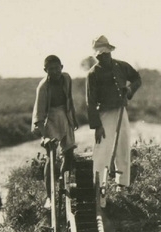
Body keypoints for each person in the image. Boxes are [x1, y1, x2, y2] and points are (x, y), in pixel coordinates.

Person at [86, 35, 141, 194]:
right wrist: (97, 126)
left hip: (121, 111)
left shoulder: (122, 66)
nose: (102, 57)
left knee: (123, 146)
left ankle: (122, 185)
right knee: (102, 149)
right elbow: (90, 102)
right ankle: (98, 187)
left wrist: (129, 90)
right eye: (99, 55)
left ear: (110, 51)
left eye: (105, 53)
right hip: (104, 114)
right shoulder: (93, 73)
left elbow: (137, 78)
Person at [31, 55, 78, 209]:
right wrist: (45, 137)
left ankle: (64, 187)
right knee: (51, 156)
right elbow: (39, 116)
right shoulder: (43, 87)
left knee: (69, 154)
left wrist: (74, 118)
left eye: (57, 68)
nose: (55, 72)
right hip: (50, 119)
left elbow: (69, 99)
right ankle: (50, 197)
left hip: (65, 116)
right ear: (45, 70)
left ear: (62, 67)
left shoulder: (67, 78)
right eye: (51, 69)